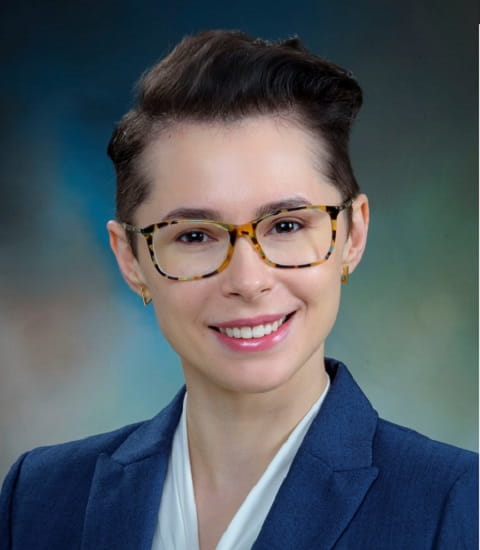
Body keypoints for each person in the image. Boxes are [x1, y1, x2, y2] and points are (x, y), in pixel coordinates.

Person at [0, 30, 477, 550]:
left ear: (352, 234)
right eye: (195, 236)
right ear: (131, 259)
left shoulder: (457, 502)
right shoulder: (39, 497)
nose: (249, 282)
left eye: (287, 225)